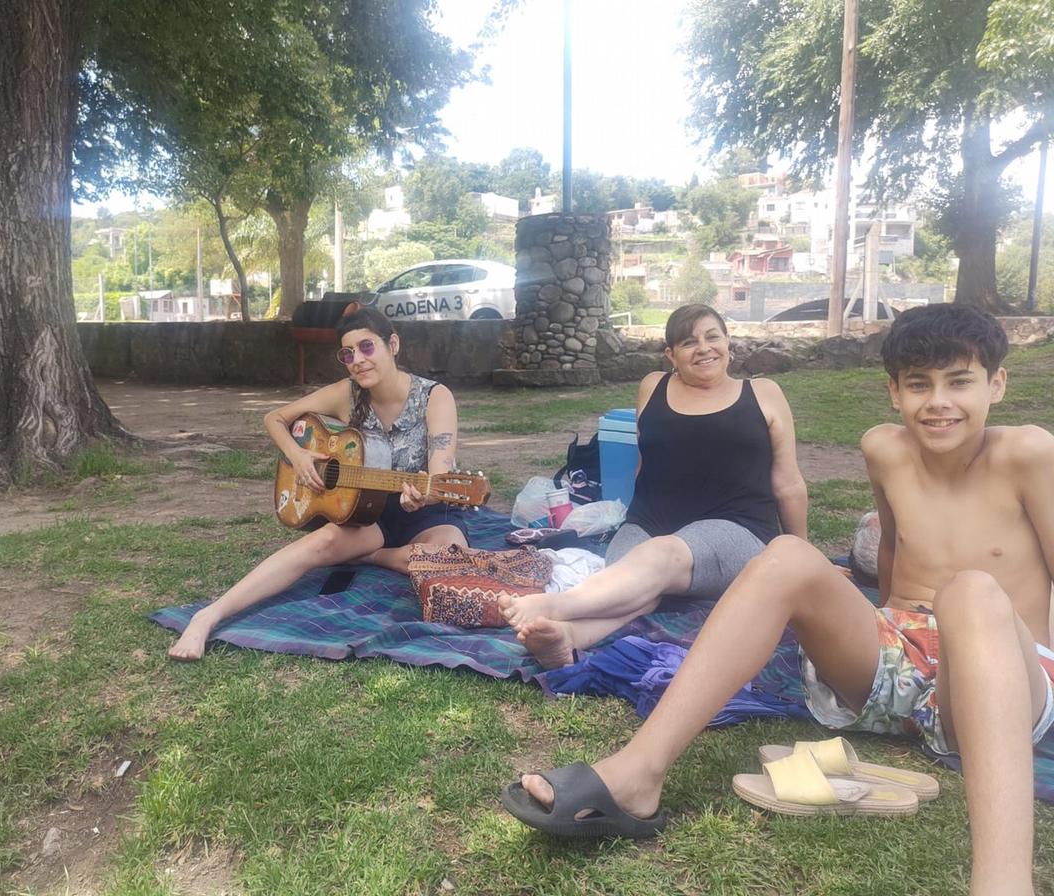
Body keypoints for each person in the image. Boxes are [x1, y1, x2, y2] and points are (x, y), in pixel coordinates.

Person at [503, 304, 1054, 896]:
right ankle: (637, 775)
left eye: (960, 382)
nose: (938, 402)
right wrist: (854, 615)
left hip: (999, 676)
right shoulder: (885, 450)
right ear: (894, 392)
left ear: (997, 383)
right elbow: (894, 551)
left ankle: (1002, 885)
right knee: (789, 556)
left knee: (968, 590)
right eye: (919, 384)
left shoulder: (1028, 453)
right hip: (894, 662)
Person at [499, 303, 808, 668]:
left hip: (736, 528)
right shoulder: (652, 387)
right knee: (632, 582)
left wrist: (802, 558)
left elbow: (787, 483)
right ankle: (568, 637)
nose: (704, 348)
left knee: (658, 560)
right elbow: (646, 463)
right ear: (671, 355)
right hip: (649, 521)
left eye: (713, 337)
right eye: (689, 342)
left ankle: (554, 606)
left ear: (728, 342)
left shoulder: (763, 393)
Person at [168, 307, 469, 661]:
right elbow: (274, 418)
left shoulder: (435, 396)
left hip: (427, 510)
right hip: (368, 510)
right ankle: (209, 615)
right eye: (348, 353)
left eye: (367, 347)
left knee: (450, 560)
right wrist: (298, 456)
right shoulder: (348, 393)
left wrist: (427, 492)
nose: (357, 360)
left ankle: (371, 556)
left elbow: (440, 468)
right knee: (321, 541)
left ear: (393, 345)